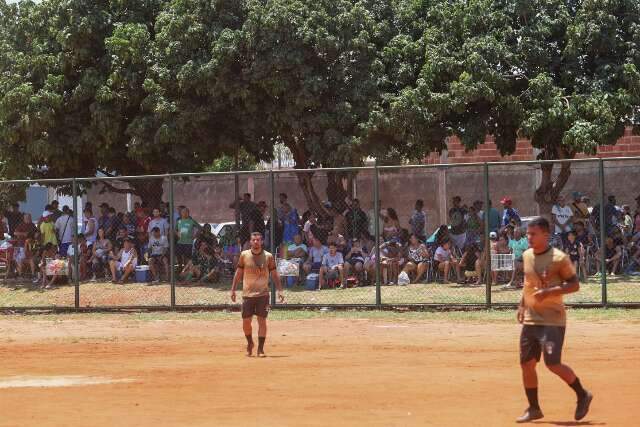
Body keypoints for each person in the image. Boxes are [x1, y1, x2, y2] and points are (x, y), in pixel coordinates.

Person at [515, 217, 592, 423]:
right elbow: (528, 284)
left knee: (553, 364)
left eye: (533, 234)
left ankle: (582, 394)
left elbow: (574, 285)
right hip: (531, 319)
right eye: (528, 233)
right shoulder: (527, 255)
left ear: (546, 235)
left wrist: (549, 292)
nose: (528, 237)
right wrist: (522, 305)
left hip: (552, 321)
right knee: (526, 364)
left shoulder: (559, 258)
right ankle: (534, 408)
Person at [230, 232, 284, 357]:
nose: (256, 242)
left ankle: (260, 349)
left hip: (263, 295)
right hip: (247, 295)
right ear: (250, 242)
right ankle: (250, 343)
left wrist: (280, 290)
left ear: (262, 242)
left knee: (262, 321)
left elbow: (274, 274)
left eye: (258, 240)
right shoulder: (244, 255)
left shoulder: (268, 256)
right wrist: (233, 289)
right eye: (253, 240)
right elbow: (238, 273)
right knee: (246, 322)